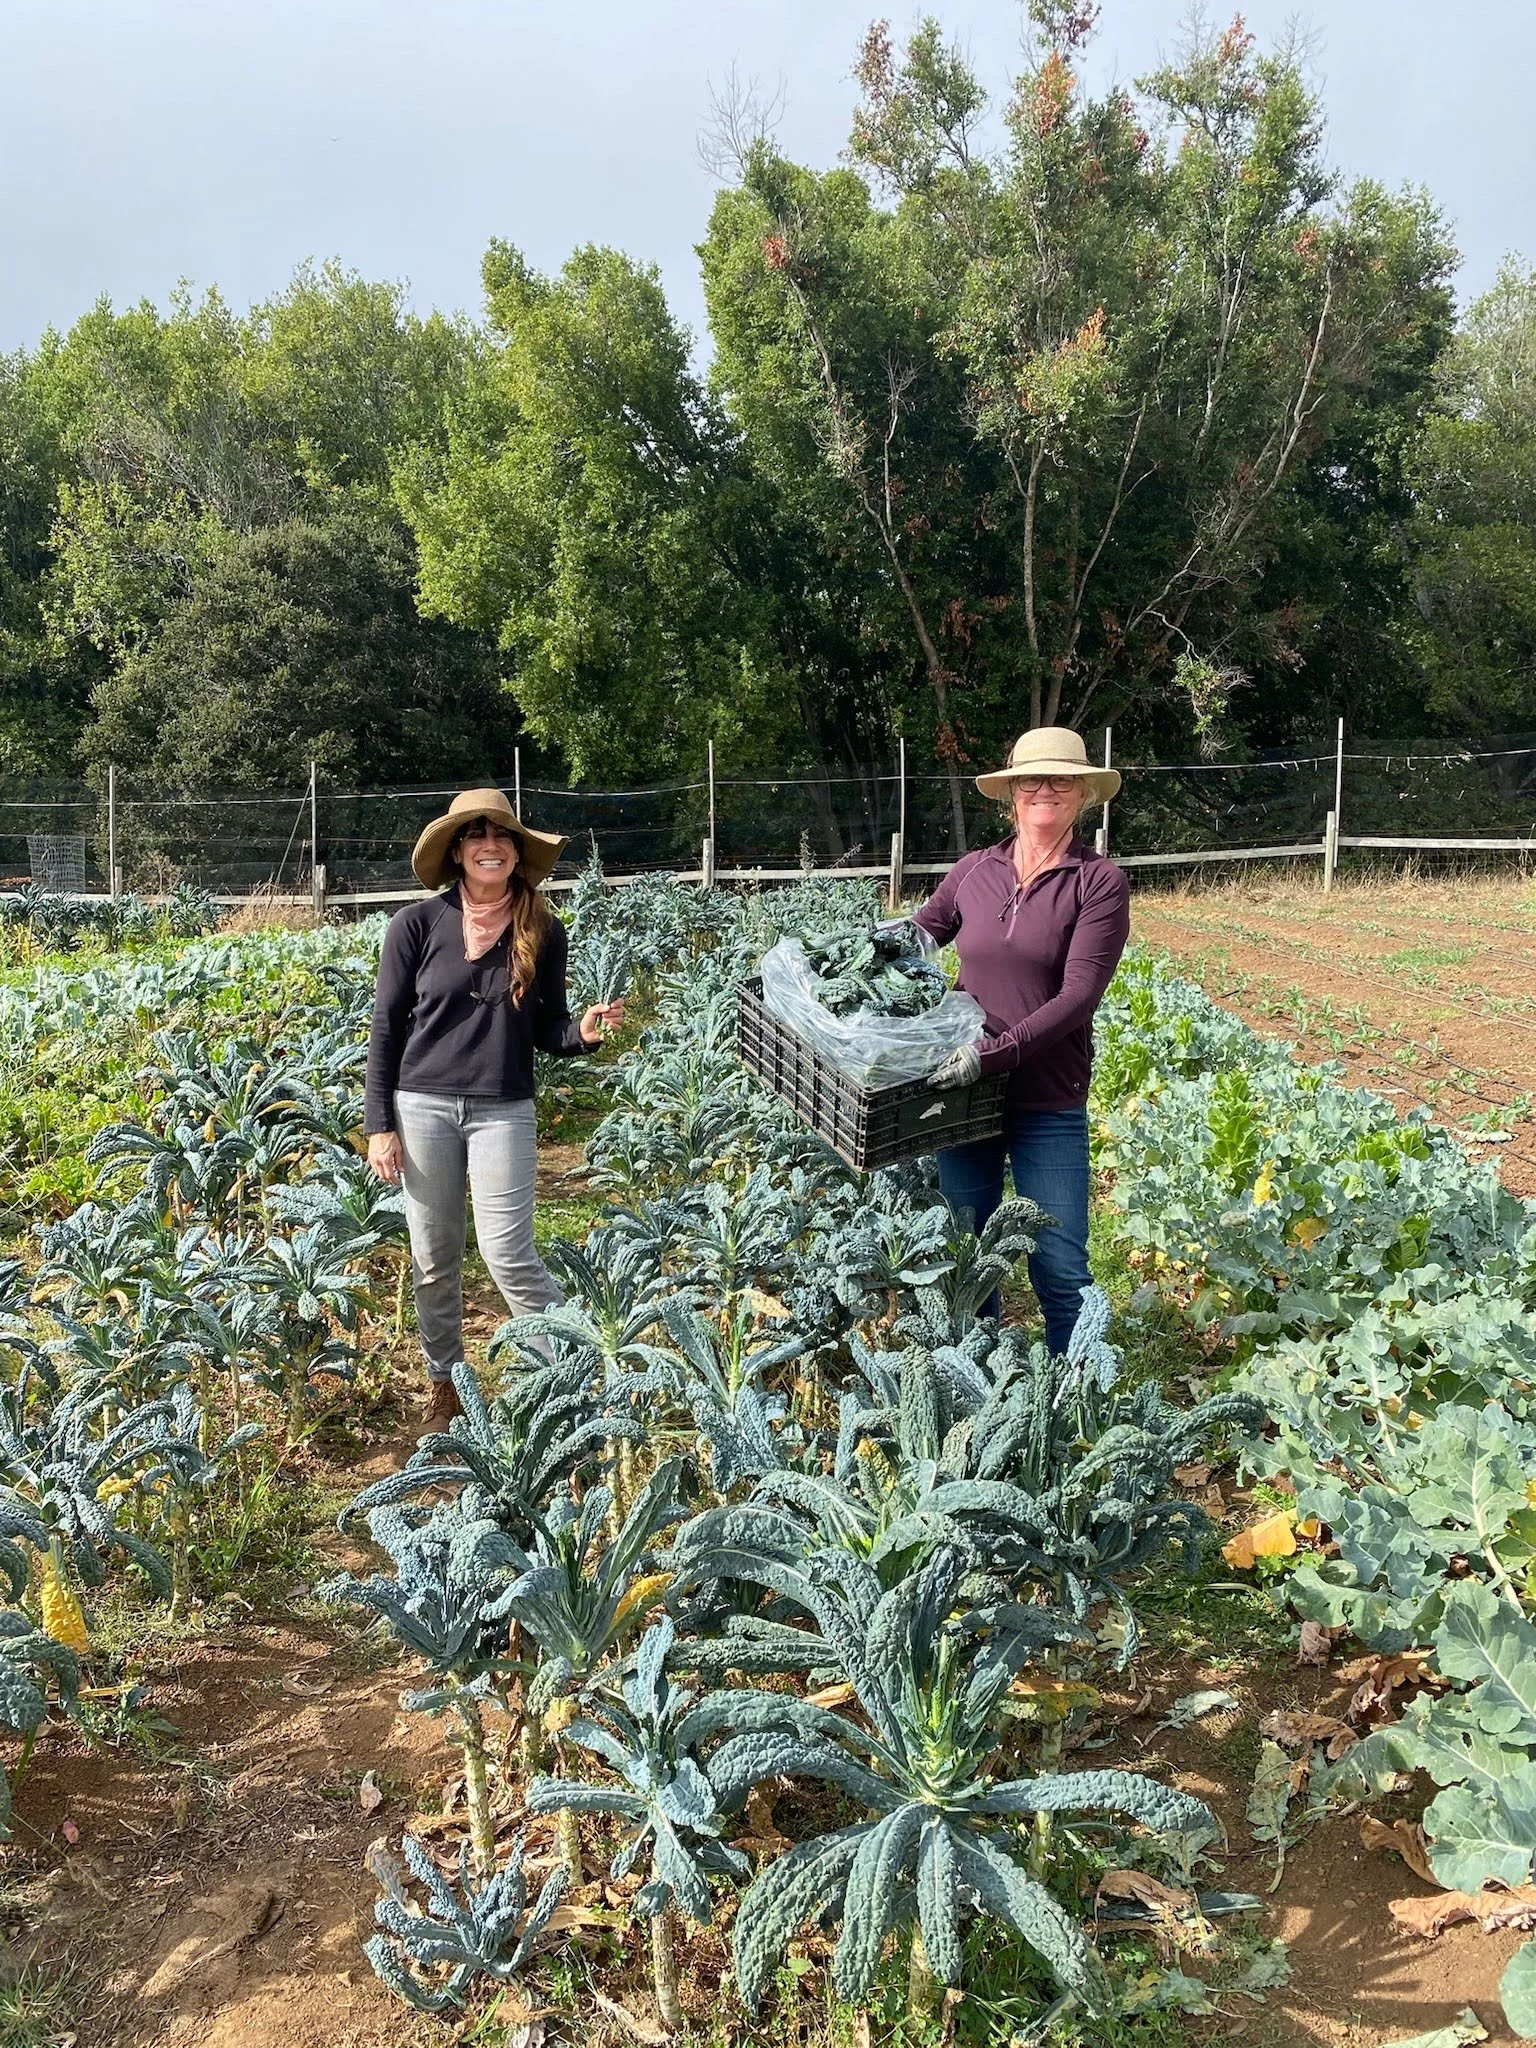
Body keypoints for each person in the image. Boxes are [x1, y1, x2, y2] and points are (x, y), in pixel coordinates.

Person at [364, 787, 625, 1423]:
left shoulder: (542, 927)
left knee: (509, 1253)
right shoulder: (417, 925)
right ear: (457, 852)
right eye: (477, 835)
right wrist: (379, 1125)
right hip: (421, 1106)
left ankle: (566, 1382)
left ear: (515, 853)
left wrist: (582, 1034)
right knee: (434, 1257)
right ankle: (446, 1381)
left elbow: (547, 1028)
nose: (491, 845)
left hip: (503, 1107)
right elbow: (388, 1026)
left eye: (502, 835)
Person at [914, 727, 1128, 1354]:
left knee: (1060, 1264)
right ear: (1011, 792)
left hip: (1046, 1099)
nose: (1044, 790)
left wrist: (991, 1056)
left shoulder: (1098, 883)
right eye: (1031, 779)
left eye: (1060, 779)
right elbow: (921, 933)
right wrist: (835, 963)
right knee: (967, 1256)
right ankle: (978, 1391)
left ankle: (1076, 1400)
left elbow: (1078, 996)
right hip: (964, 1100)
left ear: (1082, 792)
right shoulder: (974, 871)